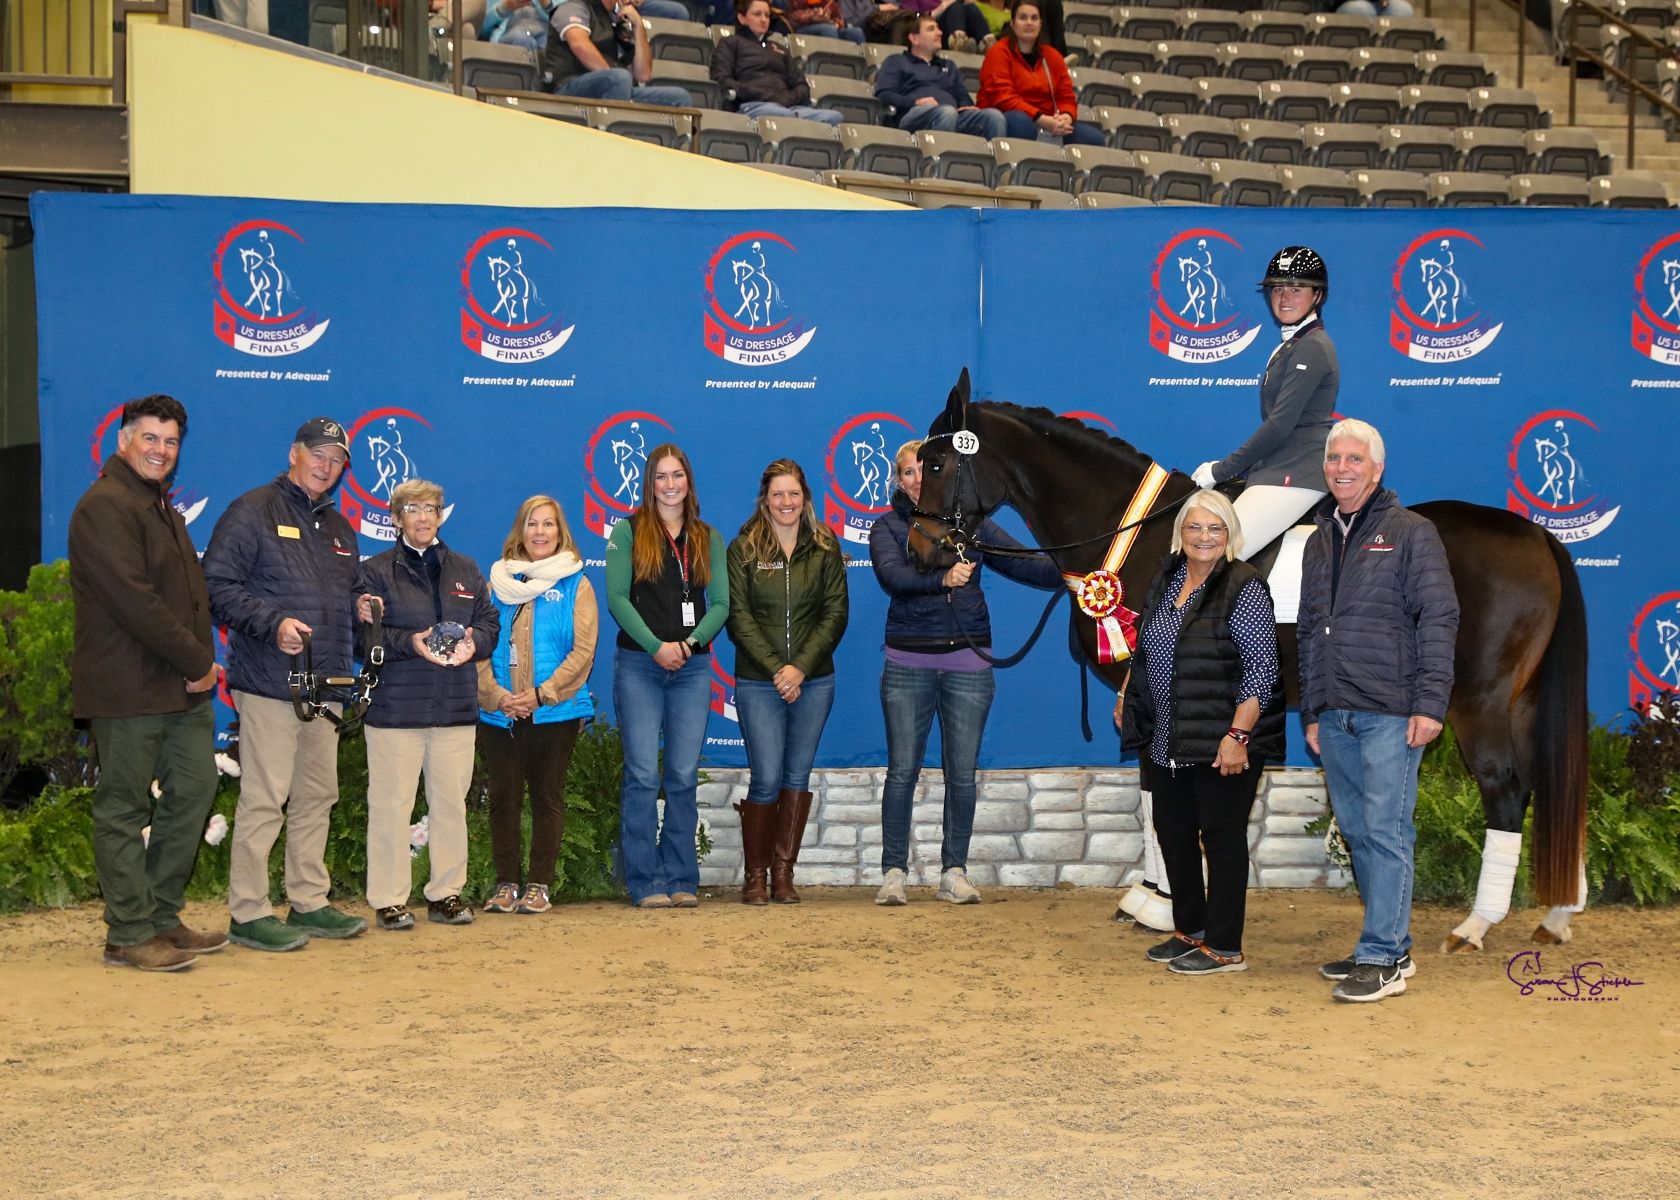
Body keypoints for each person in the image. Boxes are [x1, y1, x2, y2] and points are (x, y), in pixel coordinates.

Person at [1299, 419, 1459, 1004]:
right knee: (1360, 831)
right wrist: (1312, 709)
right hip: (1335, 713)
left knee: (1387, 831)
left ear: (1377, 467)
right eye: (1334, 458)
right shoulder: (1318, 539)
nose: (1342, 468)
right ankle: (1390, 943)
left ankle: (1381, 957)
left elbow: (1439, 618)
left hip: (1391, 711)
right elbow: (1311, 629)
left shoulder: (1412, 532)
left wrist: (1430, 703)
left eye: (1354, 459)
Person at [869, 439, 1061, 905]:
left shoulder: (972, 523)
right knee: (902, 771)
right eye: (909, 472)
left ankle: (953, 871)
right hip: (908, 661)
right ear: (898, 481)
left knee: (961, 773)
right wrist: (942, 579)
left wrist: (1076, 570)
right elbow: (893, 577)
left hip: (968, 665)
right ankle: (893, 872)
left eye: (926, 471)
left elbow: (1025, 564)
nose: (918, 480)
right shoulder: (888, 526)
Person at [202, 418, 369, 953]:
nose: (326, 466)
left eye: (336, 460)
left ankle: (309, 900)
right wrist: (272, 623)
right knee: (265, 798)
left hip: (326, 685)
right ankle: (249, 911)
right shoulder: (253, 510)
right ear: (294, 453)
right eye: (318, 454)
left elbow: (349, 593)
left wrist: (362, 607)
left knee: (318, 795)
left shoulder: (340, 529)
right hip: (270, 682)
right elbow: (216, 586)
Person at [69, 395, 223, 972]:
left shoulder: (159, 506)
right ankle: (128, 932)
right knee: (123, 808)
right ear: (124, 441)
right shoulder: (105, 505)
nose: (161, 449)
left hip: (179, 689)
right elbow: (135, 602)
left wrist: (194, 667)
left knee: (195, 789)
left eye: (171, 441)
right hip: (129, 687)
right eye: (150, 438)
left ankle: (159, 915)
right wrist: (197, 661)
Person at [1117, 490, 1283, 976]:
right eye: (1195, 527)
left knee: (1222, 836)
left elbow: (1261, 670)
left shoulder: (1244, 586)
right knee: (1173, 833)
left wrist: (1239, 736)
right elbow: (1148, 646)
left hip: (1222, 739)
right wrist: (1127, 692)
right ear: (1180, 534)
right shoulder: (1166, 579)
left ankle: (1226, 947)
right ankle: (1191, 929)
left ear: (1230, 534)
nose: (1204, 537)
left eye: (1215, 528)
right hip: (1166, 736)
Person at [356, 479, 499, 932]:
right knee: (390, 807)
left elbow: (489, 623)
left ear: (441, 515)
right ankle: (388, 899)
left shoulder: (466, 568)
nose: (423, 517)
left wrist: (475, 643)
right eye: (412, 509)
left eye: (431, 508)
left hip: (455, 709)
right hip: (395, 711)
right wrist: (410, 643)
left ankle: (446, 894)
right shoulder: (374, 572)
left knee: (451, 806)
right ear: (395, 518)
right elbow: (362, 637)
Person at [606, 444, 729, 910]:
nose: (670, 484)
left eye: (677, 475)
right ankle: (644, 880)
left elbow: (721, 604)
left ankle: (681, 876)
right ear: (649, 484)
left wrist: (689, 645)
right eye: (661, 476)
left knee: (681, 774)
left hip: (693, 669)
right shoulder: (627, 531)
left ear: (688, 481)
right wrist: (656, 646)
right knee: (642, 773)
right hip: (640, 665)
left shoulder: (707, 537)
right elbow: (617, 599)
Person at [726, 459, 849, 906]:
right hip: (759, 681)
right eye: (778, 494)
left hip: (814, 681)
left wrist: (800, 668)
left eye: (793, 493)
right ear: (765, 500)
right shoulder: (743, 548)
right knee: (766, 777)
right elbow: (738, 618)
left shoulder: (825, 545)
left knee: (796, 776)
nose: (786, 502)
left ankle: (783, 874)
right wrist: (779, 669)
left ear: (805, 498)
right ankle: (755, 876)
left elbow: (836, 613)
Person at [477, 496, 598, 916]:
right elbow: (478, 648)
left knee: (547, 797)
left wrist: (542, 693)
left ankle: (539, 885)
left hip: (555, 711)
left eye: (548, 524)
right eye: (532, 523)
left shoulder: (576, 584)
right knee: (503, 798)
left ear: (560, 532)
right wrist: (496, 696)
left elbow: (583, 652)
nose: (540, 532)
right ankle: (506, 883)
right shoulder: (496, 584)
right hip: (501, 713)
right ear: (520, 530)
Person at [1191, 246, 1338, 561]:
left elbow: (1280, 425)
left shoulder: (1311, 348)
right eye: (1277, 288)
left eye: (1295, 289)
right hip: (1277, 467)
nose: (1284, 297)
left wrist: (1222, 470)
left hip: (1295, 472)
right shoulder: (1292, 345)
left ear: (1317, 295)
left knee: (1212, 555)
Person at [977, 0, 1103, 145]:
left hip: (1047, 121)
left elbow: (1066, 96)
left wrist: (1066, 116)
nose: (1029, 23)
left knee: (1093, 138)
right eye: (1023, 18)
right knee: (1022, 124)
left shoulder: (1053, 56)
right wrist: (1040, 118)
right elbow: (1003, 98)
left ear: (1040, 24)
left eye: (1034, 18)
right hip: (1008, 116)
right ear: (1012, 24)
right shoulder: (998, 52)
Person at [712, 0, 846, 125]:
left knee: (834, 117)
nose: (764, 20)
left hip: (787, 106)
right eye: (757, 14)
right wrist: (759, 94)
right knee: (781, 114)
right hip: (752, 104)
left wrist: (788, 98)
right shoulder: (730, 43)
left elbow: (801, 85)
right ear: (742, 18)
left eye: (767, 15)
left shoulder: (780, 48)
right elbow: (722, 79)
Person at [874, 16, 1007, 138]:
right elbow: (884, 94)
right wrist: (915, 102)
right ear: (914, 39)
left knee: (994, 116)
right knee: (947, 112)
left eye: (938, 28)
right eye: (931, 29)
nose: (940, 33)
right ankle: (941, 155)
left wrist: (967, 106)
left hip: (953, 116)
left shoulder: (949, 65)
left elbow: (963, 98)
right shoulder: (896, 61)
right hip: (913, 115)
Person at [543, 0, 694, 104]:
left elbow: (644, 75)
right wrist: (614, 78)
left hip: (617, 87)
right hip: (569, 86)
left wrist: (638, 25)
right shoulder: (574, 6)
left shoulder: (619, 20)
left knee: (680, 98)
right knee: (620, 77)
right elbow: (579, 45)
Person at [897, 0, 992, 52]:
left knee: (971, 7)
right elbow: (912, 16)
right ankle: (958, 41)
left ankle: (988, 45)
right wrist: (936, 11)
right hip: (933, 28)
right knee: (955, 6)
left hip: (957, 25)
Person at [782, 0, 867, 42]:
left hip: (828, 25)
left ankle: (864, 68)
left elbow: (839, 18)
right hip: (801, 28)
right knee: (828, 29)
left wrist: (836, 23)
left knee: (856, 32)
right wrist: (813, 16)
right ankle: (833, 65)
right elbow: (793, 17)